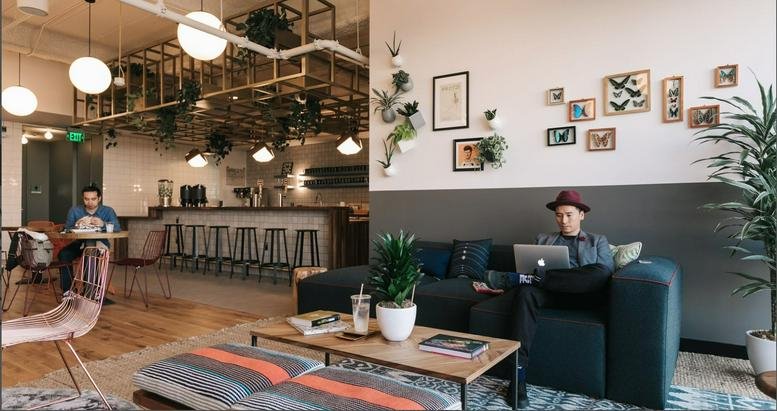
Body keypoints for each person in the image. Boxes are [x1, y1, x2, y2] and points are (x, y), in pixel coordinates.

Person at [483, 190, 614, 408]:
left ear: (582, 215)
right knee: (526, 292)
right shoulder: (543, 239)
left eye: (569, 215)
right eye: (559, 215)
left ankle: (521, 279)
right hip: (551, 294)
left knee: (599, 272)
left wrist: (539, 277)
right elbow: (531, 263)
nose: (563, 220)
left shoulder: (597, 241)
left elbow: (606, 273)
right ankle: (518, 377)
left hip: (584, 296)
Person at [58, 185, 121, 293]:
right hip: (79, 243)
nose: (90, 202)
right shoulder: (75, 210)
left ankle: (90, 292)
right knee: (63, 254)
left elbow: (117, 228)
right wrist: (77, 225)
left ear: (99, 198)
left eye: (93, 199)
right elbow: (66, 229)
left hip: (100, 243)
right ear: (83, 199)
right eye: (86, 199)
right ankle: (68, 291)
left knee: (90, 251)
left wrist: (103, 224)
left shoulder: (108, 211)